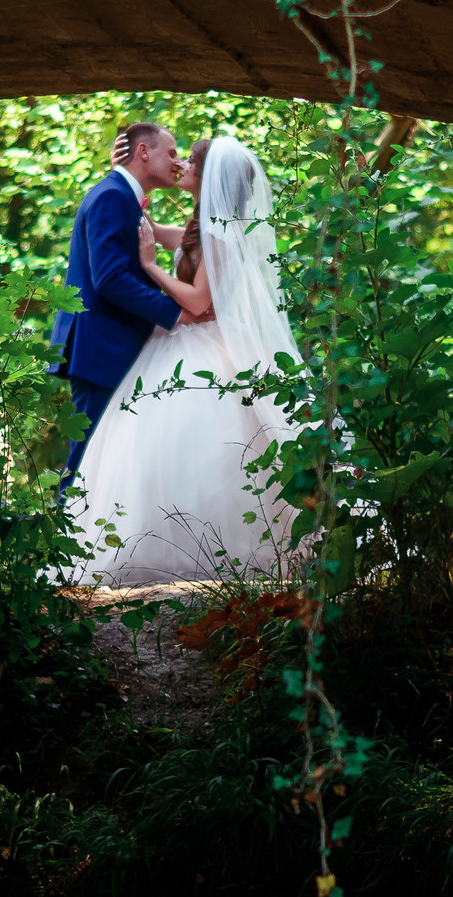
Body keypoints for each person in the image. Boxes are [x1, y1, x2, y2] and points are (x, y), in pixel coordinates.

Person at [65, 133, 304, 586]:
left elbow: (195, 302)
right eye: (174, 155)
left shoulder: (221, 229)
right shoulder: (202, 224)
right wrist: (124, 174)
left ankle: (219, 549)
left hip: (200, 341)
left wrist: (154, 268)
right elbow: (141, 229)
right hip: (173, 340)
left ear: (207, 174)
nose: (179, 165)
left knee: (202, 446)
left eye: (187, 159)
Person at [50, 123, 207, 483]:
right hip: (103, 349)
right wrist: (176, 314)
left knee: (106, 463)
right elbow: (109, 278)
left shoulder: (120, 194)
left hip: (111, 347)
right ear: (143, 152)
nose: (177, 161)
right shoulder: (112, 196)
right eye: (170, 152)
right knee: (87, 461)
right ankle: (64, 534)